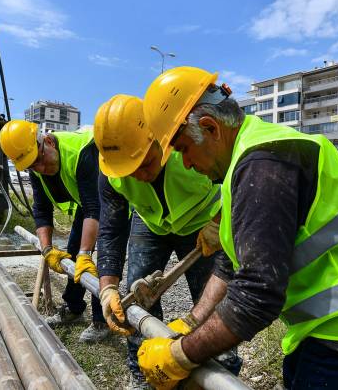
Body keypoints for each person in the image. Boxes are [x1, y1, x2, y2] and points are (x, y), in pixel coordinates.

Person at [135, 66, 338, 389]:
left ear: (210, 128)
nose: (184, 163)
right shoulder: (247, 157)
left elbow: (256, 296)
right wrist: (192, 321)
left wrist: (180, 355)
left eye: (183, 148)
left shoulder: (261, 167)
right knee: (295, 373)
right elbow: (230, 263)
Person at [93, 94, 242, 388]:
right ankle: (144, 375)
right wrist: (107, 286)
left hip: (205, 221)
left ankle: (223, 372)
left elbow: (238, 176)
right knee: (135, 302)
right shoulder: (110, 169)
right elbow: (110, 228)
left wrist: (221, 221)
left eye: (146, 163)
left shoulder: (190, 145)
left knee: (213, 301)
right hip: (151, 224)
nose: (140, 176)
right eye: (130, 171)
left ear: (159, 139)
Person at [0, 120, 108, 342]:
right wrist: (47, 249)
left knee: (103, 257)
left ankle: (101, 320)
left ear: (47, 141)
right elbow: (41, 209)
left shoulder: (83, 151)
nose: (39, 169)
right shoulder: (35, 163)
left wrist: (85, 254)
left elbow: (95, 208)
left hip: (112, 203)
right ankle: (74, 307)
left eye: (39, 160)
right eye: (31, 166)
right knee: (73, 250)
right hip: (88, 205)